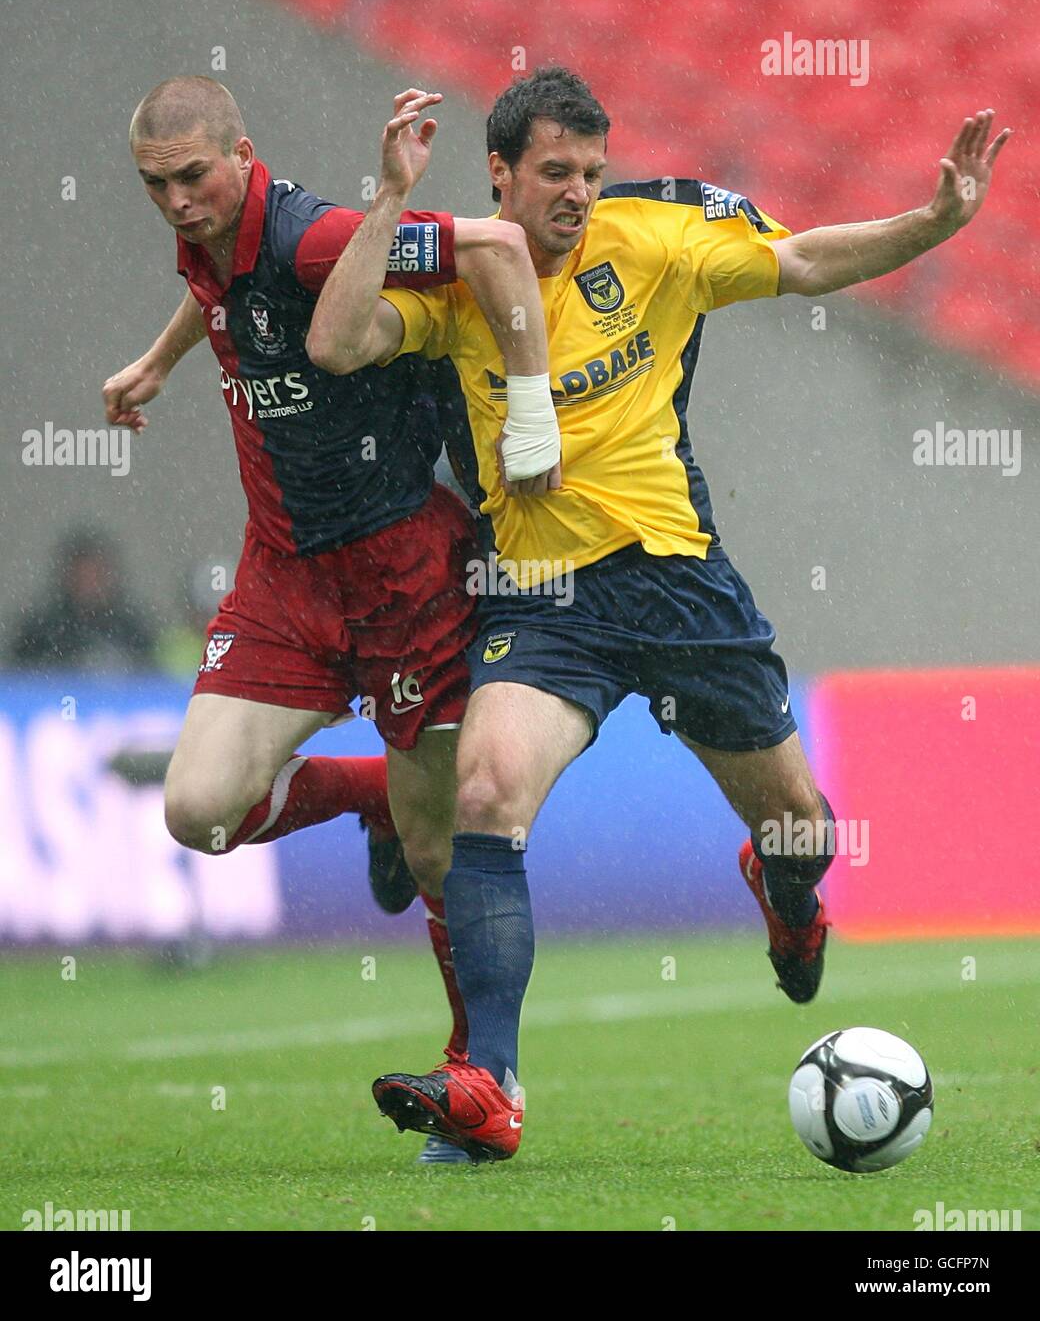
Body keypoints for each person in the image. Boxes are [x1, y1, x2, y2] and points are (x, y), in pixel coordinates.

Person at [311, 67, 1012, 1161]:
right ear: (498, 173)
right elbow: (339, 340)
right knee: (488, 790)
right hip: (540, 597)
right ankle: (488, 1084)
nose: (578, 192)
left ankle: (782, 890)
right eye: (554, 172)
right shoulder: (452, 272)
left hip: (678, 578)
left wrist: (932, 220)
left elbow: (801, 259)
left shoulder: (658, 233)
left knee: (797, 828)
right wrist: (393, 201)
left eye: (591, 170)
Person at [102, 79, 560, 1164]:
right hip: (286, 580)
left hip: (408, 570)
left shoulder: (321, 241)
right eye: (153, 183)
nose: (174, 201)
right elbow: (222, 296)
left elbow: (496, 244)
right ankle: (371, 796)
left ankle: (477, 1081)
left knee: (446, 850)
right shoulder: (210, 235)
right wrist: (162, 361)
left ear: (245, 156)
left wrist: (532, 410)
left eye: (193, 176)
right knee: (200, 813)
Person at [6, 528, 155, 672]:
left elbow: (150, 676)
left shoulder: (131, 630)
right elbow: (21, 678)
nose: (90, 582)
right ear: (67, 577)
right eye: (83, 574)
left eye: (96, 574)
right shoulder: (42, 630)